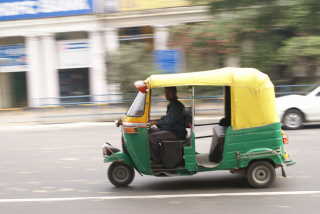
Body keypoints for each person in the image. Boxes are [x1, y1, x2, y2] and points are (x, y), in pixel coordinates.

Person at [149, 87, 187, 164]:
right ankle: (160, 154)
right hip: (172, 129)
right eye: (165, 92)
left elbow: (169, 121)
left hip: (176, 133)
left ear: (174, 93)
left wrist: (156, 123)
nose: (166, 94)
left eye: (168, 92)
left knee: (151, 138)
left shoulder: (176, 106)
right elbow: (167, 118)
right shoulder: (173, 104)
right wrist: (155, 121)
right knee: (150, 131)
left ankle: (156, 160)